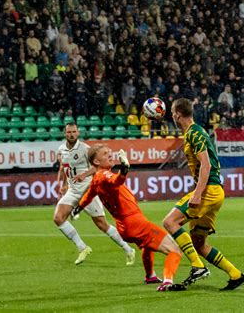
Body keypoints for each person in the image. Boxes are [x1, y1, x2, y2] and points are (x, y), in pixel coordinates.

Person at [72, 145, 185, 291]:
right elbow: (116, 181)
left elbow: (88, 196)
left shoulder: (95, 180)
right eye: (105, 153)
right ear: (96, 162)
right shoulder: (103, 175)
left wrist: (78, 208)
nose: (110, 155)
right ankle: (167, 282)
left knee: (147, 245)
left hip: (124, 227)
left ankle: (150, 275)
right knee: (175, 250)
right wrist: (125, 168)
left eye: (109, 152)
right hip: (134, 222)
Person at [162, 98, 244, 291]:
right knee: (198, 243)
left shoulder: (194, 132)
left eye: (172, 112)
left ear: (177, 114)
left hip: (208, 190)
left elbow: (206, 165)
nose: (171, 116)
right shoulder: (192, 133)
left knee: (170, 222)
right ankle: (235, 274)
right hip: (215, 192)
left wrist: (197, 194)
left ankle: (198, 266)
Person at [53, 123, 135, 265]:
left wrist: (84, 174)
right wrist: (65, 184)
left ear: (78, 133)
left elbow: (96, 166)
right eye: (68, 132)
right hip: (73, 191)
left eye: (74, 132)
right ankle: (82, 247)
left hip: (88, 189)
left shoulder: (85, 149)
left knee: (102, 225)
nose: (71, 134)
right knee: (58, 218)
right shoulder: (61, 150)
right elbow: (65, 168)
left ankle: (128, 249)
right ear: (64, 133)